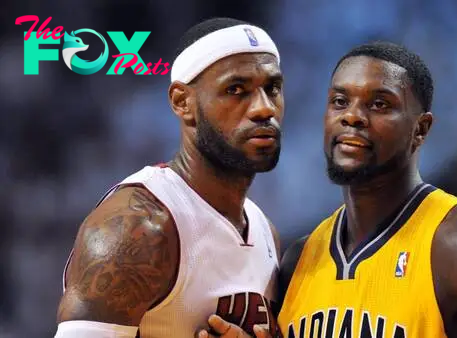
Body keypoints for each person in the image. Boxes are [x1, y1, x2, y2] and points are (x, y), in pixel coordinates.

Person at [200, 41, 457, 338]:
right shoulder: (299, 258)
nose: (353, 117)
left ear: (420, 129)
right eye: (340, 101)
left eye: (379, 104)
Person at [54, 17, 284, 338]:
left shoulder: (265, 231)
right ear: (182, 101)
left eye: (272, 88)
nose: (264, 108)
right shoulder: (137, 227)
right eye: (236, 90)